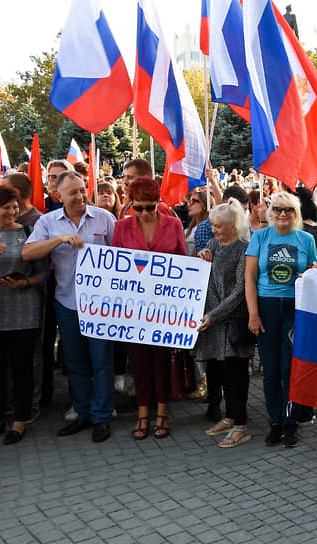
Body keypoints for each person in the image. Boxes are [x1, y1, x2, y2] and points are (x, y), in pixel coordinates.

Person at [23, 170, 116, 443]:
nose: (80, 196)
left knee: (101, 362)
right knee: (74, 363)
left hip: (101, 306)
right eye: (73, 192)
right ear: (57, 195)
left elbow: (123, 254)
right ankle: (83, 413)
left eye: (82, 189)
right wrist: (59, 240)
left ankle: (101, 417)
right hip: (67, 302)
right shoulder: (49, 222)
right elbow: (28, 252)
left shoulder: (104, 218)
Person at [112, 177, 186, 440]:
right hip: (134, 308)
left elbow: (182, 262)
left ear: (158, 204)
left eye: (150, 207)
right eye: (138, 207)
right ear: (131, 204)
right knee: (139, 361)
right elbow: (115, 266)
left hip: (164, 306)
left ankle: (163, 413)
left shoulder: (174, 224)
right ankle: (143, 413)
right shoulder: (121, 227)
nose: (144, 213)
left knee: (162, 361)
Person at [245, 191, 317, 448]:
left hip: (294, 308)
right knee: (271, 371)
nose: (282, 214)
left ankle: (290, 422)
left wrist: (315, 271)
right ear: (270, 212)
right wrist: (253, 314)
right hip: (266, 307)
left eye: (288, 209)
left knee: (290, 370)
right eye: (277, 209)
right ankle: (275, 422)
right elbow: (249, 278)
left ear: (296, 213)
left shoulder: (306, 239)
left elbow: (312, 275)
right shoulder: (260, 236)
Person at [197, 200, 255, 447]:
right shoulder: (212, 244)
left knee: (236, 374)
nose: (214, 230)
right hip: (213, 324)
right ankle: (229, 417)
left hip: (232, 322)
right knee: (217, 372)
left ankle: (241, 425)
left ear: (233, 226)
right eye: (212, 224)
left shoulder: (244, 248)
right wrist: (200, 257)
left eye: (219, 226)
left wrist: (214, 315)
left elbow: (241, 291)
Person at [0, 186, 47, 445]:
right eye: (6, 208)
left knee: (22, 367)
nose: (13, 212)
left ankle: (20, 419)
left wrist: (26, 283)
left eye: (15, 207)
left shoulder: (28, 233)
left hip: (24, 310)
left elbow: (44, 272)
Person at [185, 191, 213, 257]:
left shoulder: (209, 227)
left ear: (204, 205)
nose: (189, 205)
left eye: (193, 201)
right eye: (189, 201)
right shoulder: (189, 228)